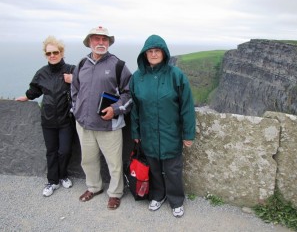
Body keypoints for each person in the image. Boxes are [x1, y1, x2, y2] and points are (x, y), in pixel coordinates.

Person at [129, 34, 196, 217]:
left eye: (157, 50)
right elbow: (135, 107)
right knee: (155, 169)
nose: (153, 54)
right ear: (144, 54)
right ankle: (158, 195)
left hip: (170, 133)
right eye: (150, 51)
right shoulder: (137, 78)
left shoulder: (176, 75)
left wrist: (188, 134)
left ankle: (176, 200)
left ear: (164, 53)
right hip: (148, 133)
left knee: (173, 170)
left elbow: (187, 107)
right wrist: (135, 131)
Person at [71, 26, 132, 210]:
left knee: (114, 164)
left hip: (109, 125)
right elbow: (74, 91)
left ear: (109, 43)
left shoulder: (118, 65)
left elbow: (129, 95)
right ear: (89, 42)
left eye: (104, 39)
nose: (100, 43)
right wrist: (77, 111)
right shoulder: (81, 64)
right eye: (96, 39)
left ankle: (115, 193)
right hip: (84, 124)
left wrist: (115, 109)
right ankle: (94, 187)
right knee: (87, 160)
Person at [16, 36, 75, 197]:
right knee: (51, 151)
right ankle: (52, 181)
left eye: (55, 52)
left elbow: (86, 84)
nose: (52, 56)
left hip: (66, 120)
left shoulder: (71, 70)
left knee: (64, 151)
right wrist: (27, 97)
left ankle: (63, 176)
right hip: (48, 119)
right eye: (49, 53)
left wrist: (73, 80)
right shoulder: (41, 73)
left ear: (61, 53)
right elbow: (34, 90)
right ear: (45, 55)